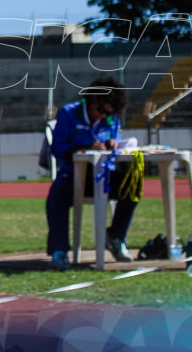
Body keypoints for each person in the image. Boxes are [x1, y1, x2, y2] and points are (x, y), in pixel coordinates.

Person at [45, 76, 135, 269]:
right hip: (75, 176)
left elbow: (116, 140)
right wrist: (83, 147)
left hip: (104, 176)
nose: (103, 116)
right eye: (101, 110)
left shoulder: (111, 119)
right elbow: (56, 148)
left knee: (132, 186)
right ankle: (59, 251)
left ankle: (115, 237)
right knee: (57, 194)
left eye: (109, 113)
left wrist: (113, 144)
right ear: (92, 99)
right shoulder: (69, 113)